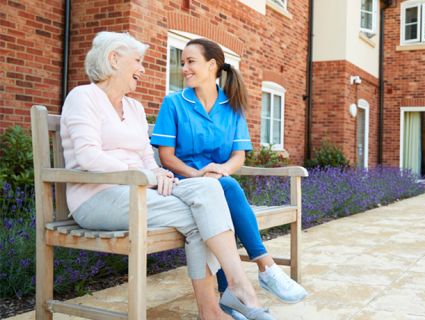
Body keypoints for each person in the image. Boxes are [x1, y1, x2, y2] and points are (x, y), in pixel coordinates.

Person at [60, 31, 274, 320]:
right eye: (137, 61)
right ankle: (232, 295)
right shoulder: (83, 97)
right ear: (113, 60)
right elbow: (88, 156)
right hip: (97, 197)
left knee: (210, 189)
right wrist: (145, 176)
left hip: (140, 191)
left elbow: (149, 158)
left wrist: (159, 173)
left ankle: (227, 296)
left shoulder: (134, 107)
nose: (143, 68)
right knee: (201, 217)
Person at [151, 38, 308, 313]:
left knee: (224, 190)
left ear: (212, 65)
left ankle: (229, 297)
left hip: (218, 183)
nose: (184, 68)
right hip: (183, 182)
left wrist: (220, 170)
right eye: (183, 63)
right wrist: (199, 174)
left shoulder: (232, 106)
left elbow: (239, 156)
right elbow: (167, 157)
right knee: (228, 189)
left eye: (190, 62)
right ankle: (266, 267)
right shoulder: (174, 103)